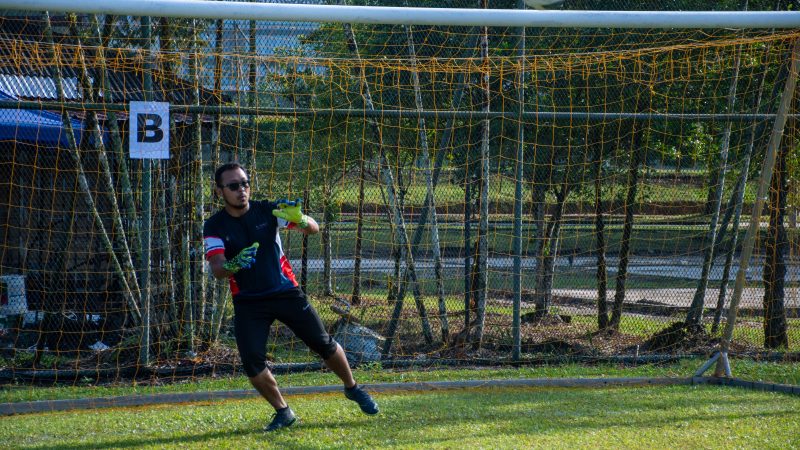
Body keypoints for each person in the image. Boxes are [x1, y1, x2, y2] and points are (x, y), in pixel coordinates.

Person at [203, 162, 378, 432]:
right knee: (252, 363)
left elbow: (313, 228)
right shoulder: (214, 225)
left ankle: (353, 388)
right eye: (234, 186)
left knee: (324, 344)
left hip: (286, 292)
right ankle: (283, 411)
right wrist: (233, 264)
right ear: (219, 191)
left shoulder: (268, 210)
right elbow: (217, 269)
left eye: (245, 183)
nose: (242, 190)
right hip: (248, 302)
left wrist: (301, 219)